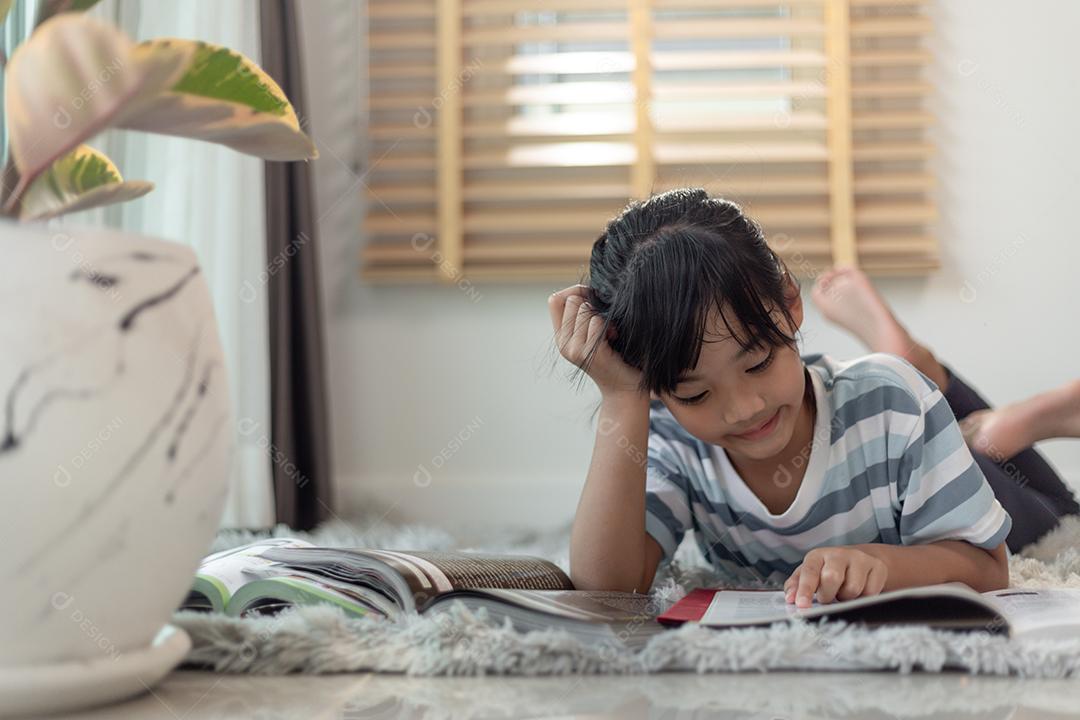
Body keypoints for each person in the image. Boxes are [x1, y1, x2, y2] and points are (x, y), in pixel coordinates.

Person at [549, 188, 1024, 608]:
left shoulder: (892, 403)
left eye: (757, 364)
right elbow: (605, 591)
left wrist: (882, 563)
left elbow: (988, 566)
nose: (745, 409)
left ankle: (1014, 421)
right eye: (696, 394)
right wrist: (621, 396)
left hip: (996, 486)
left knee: (1023, 489)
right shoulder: (670, 439)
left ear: (791, 303)